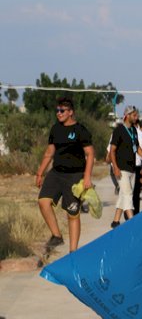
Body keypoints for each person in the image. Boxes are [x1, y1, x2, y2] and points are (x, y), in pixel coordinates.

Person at [35, 97, 94, 253]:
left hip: (75, 176)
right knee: (43, 202)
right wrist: (40, 172)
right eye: (57, 111)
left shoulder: (81, 130)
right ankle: (57, 236)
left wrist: (87, 176)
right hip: (56, 173)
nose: (58, 113)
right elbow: (49, 152)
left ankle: (73, 252)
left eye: (62, 111)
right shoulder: (55, 129)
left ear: (70, 112)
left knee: (72, 214)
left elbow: (90, 153)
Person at [109, 106, 142, 228]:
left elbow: (137, 148)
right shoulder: (119, 130)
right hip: (121, 168)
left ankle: (115, 221)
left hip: (132, 168)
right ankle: (133, 222)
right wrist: (115, 168)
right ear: (127, 116)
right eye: (134, 115)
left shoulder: (133, 130)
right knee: (128, 194)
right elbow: (112, 150)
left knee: (124, 193)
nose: (136, 117)